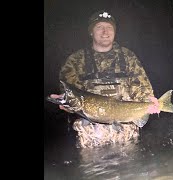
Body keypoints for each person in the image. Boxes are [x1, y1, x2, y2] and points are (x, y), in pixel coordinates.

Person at [50, 10, 156, 148]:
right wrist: (67, 105)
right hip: (90, 137)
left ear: (115, 31)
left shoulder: (128, 57)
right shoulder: (75, 60)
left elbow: (143, 89)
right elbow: (72, 96)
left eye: (109, 27)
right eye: (99, 27)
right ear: (91, 32)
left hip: (126, 135)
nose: (105, 32)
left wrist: (150, 102)